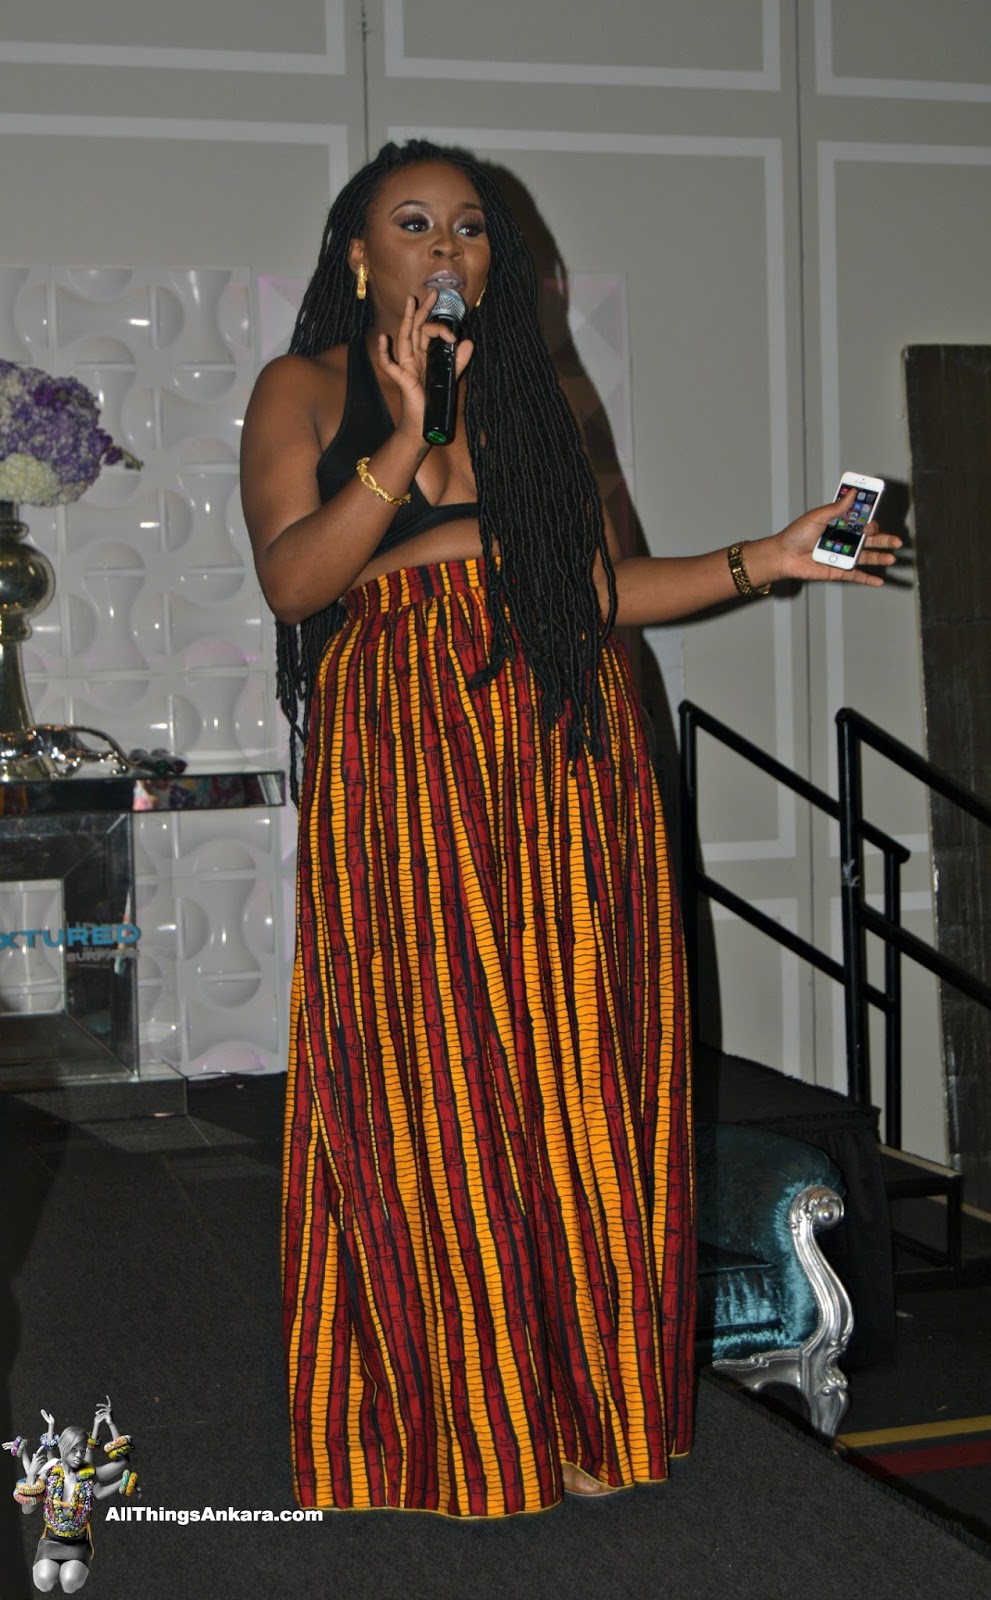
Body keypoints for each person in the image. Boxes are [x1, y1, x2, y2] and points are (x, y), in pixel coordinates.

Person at [240, 139, 899, 1518]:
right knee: (425, 1076)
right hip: (406, 743)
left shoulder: (539, 400)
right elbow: (296, 583)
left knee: (580, 1069)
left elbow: (603, 590)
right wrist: (405, 434)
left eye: (470, 226)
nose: (445, 246)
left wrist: (768, 559)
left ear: (495, 262)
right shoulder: (301, 388)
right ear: (358, 255)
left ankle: (592, 1415)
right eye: (412, 222)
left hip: (563, 740)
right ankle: (443, 1435)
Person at [7, 1399, 134, 1592]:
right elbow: (27, 1509)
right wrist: (32, 1475)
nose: (79, 1455)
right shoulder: (50, 1473)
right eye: (74, 1450)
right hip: (51, 1539)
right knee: (43, 1582)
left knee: (70, 1583)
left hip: (78, 1542)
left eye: (82, 1451)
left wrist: (110, 1423)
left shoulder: (89, 1474)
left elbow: (122, 1462)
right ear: (64, 1447)